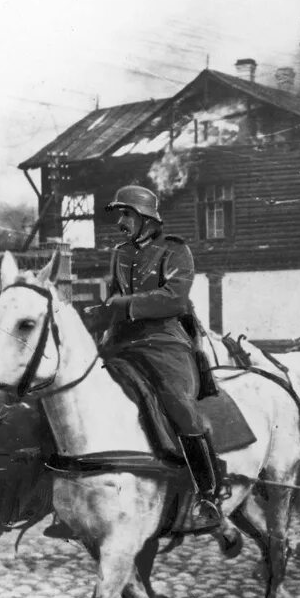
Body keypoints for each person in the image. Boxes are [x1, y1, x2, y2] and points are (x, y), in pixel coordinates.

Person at [76, 184, 233, 535]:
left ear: (147, 218)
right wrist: (95, 316)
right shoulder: (120, 253)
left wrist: (124, 306)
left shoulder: (175, 251)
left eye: (127, 214)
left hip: (165, 343)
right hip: (122, 343)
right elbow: (115, 297)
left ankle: (208, 494)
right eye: (120, 215)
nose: (121, 222)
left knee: (178, 404)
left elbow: (174, 299)